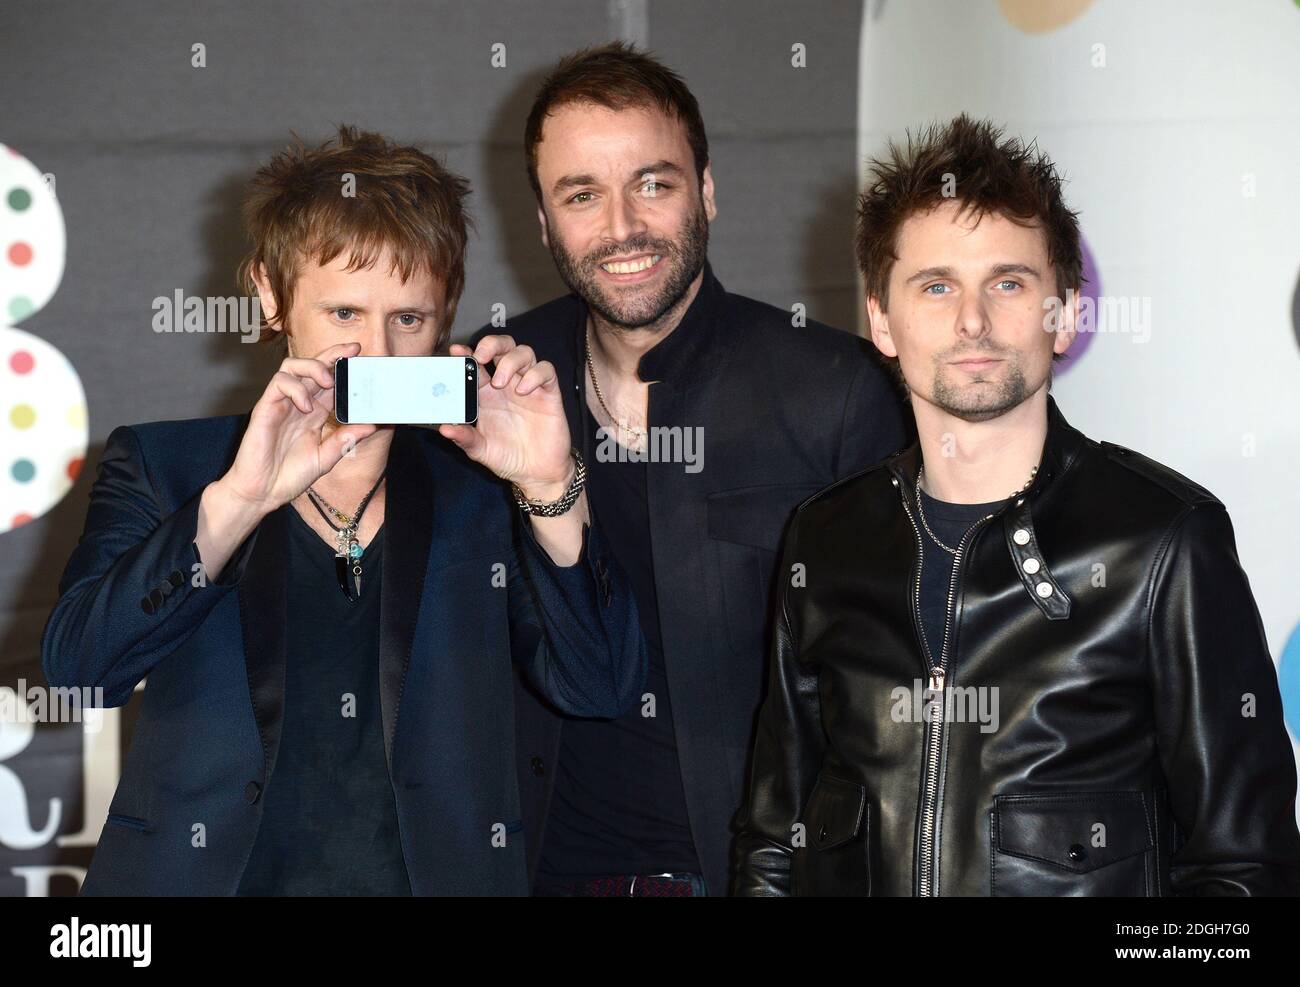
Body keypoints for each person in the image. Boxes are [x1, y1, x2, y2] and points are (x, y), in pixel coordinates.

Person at [40, 126, 646, 896]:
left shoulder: (483, 489)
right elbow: (79, 670)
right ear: (270, 293)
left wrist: (552, 484)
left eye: (409, 320)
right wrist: (240, 502)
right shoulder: (168, 467)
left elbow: (599, 686)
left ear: (447, 312)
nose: (377, 353)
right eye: (343, 315)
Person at [732, 113, 1300, 896]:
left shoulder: (1161, 541)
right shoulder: (824, 540)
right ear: (880, 320)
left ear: (1063, 313)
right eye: (935, 286)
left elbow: (1245, 872)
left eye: (1008, 282)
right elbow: (773, 840)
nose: (973, 320)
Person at [485, 42, 908, 897]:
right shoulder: (495, 384)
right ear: (542, 221)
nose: (621, 227)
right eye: (582, 195)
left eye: (654, 182)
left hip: (758, 878)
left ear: (706, 190)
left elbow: (896, 704)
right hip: (541, 875)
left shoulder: (835, 390)